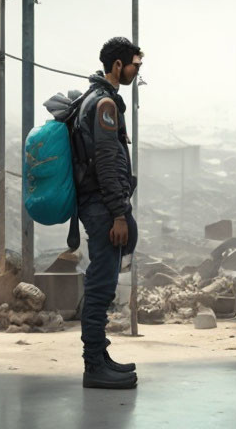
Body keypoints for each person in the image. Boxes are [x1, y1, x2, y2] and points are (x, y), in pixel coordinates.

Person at [74, 37, 143, 389]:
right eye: (135, 65)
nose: (137, 71)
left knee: (103, 280)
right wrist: (118, 213)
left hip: (103, 205)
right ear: (118, 66)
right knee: (100, 285)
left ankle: (100, 357)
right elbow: (104, 161)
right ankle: (93, 367)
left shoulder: (99, 100)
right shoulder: (104, 104)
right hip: (103, 207)